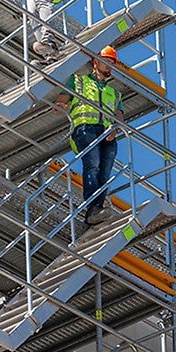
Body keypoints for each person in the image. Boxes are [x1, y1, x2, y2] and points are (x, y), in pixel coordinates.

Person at [55, 46, 124, 225]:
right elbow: (63, 98)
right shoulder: (78, 81)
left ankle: (96, 209)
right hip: (85, 129)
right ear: (95, 61)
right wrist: (60, 105)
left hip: (108, 134)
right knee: (92, 165)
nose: (110, 66)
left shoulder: (115, 92)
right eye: (107, 62)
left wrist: (115, 128)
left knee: (105, 172)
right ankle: (93, 208)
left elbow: (119, 114)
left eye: (112, 63)